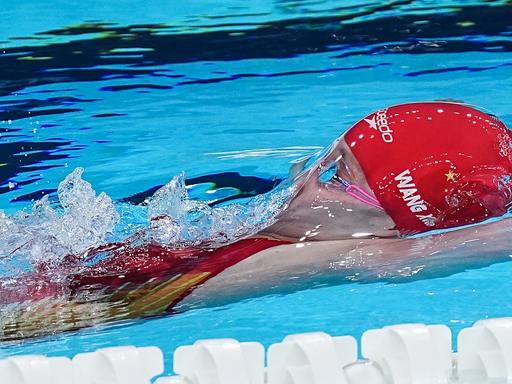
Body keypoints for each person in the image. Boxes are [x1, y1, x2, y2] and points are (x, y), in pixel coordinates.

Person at [2, 101, 512, 339]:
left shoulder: (352, 253)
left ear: (393, 223)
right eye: (327, 157)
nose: (306, 174)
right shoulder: (255, 220)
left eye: (337, 175)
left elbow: (472, 244)